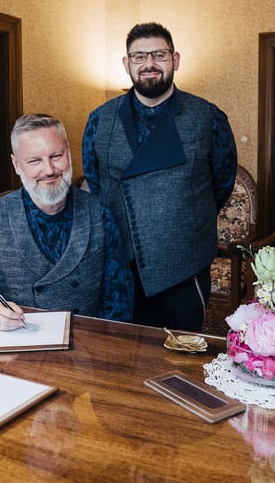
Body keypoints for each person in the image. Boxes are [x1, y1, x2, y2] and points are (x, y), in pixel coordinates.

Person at [81, 22, 237, 332]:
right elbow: (94, 179)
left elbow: (222, 182)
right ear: (127, 64)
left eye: (159, 54)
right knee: (121, 353)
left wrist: (180, 217)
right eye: (139, 56)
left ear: (175, 60)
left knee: (180, 358)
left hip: (182, 264)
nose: (149, 64)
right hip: (120, 261)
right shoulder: (100, 118)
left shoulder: (208, 117)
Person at [0, 114, 134, 330]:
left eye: (56, 156)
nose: (48, 170)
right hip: (18, 348)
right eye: (35, 160)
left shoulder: (100, 215)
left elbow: (120, 300)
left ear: (69, 154)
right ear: (17, 165)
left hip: (86, 349)